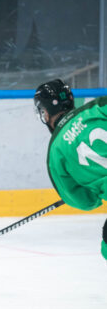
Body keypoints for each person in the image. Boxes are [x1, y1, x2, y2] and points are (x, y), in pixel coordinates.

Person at [34, 78, 107, 259]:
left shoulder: (55, 153)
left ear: (44, 113)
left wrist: (94, 192)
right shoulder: (97, 108)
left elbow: (83, 202)